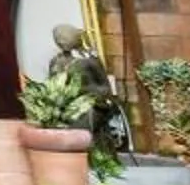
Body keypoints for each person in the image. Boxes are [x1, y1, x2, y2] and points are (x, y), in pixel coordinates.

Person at [47, 23, 131, 166]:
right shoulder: (56, 62)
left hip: (92, 103)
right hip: (66, 104)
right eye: (58, 38)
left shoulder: (88, 60)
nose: (61, 41)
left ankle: (89, 158)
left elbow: (105, 87)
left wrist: (88, 92)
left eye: (64, 37)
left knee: (83, 119)